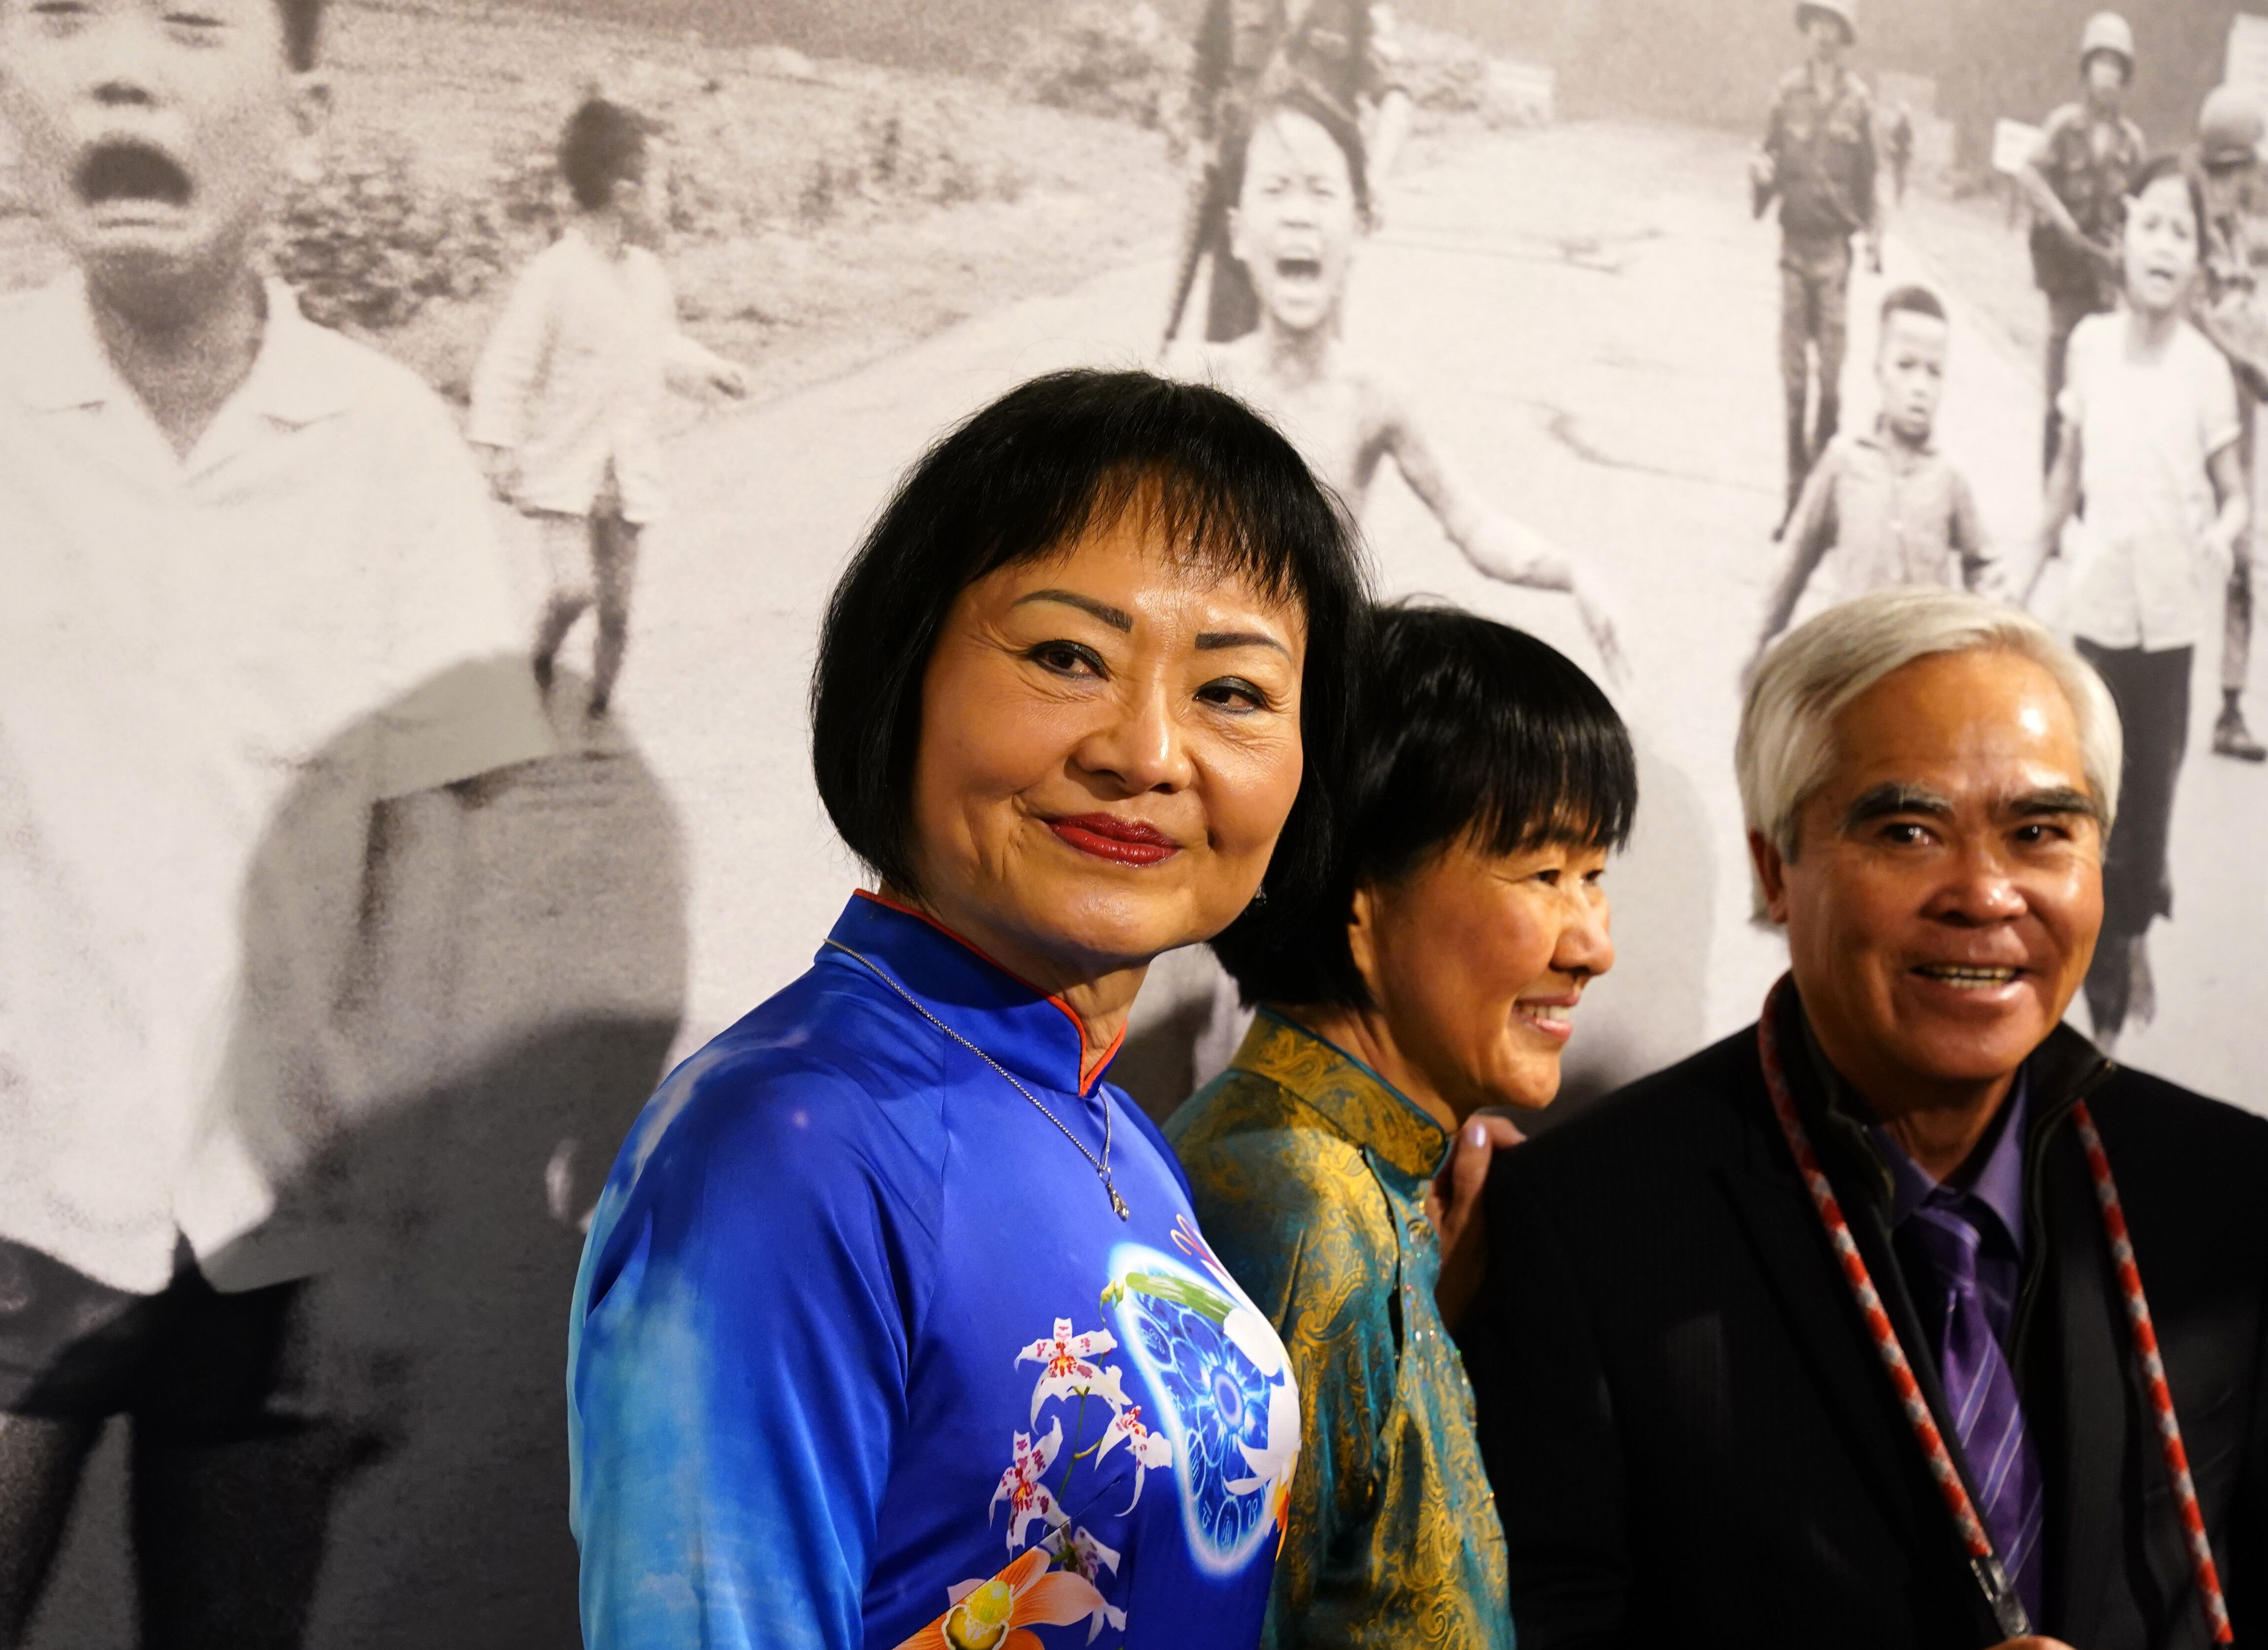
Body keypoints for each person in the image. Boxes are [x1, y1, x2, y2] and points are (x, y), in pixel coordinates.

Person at [0, 0, 556, 1644]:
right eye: (64, 21)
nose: (121, 67)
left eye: (193, 25)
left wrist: (400, 1222)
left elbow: (434, 847)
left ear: (306, 112)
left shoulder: (389, 449)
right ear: (4, 83)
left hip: (277, 1245)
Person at [567, 369, 1371, 1650]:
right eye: (1068, 656)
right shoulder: (790, 1144)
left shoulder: (1107, 1125)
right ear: (906, 679)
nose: (1148, 751)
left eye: (1233, 691)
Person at [1461, 586, 2268, 1647]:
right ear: (1773, 867)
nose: (1984, 893)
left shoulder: (2228, 1190)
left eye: (2038, 831)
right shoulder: (1589, 1222)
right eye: (1907, 828)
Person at [1168, 605, 1634, 1649]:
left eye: (1595, 875)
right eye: (1544, 872)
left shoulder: (1363, 1186)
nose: (1592, 944)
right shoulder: (1302, 1205)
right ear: (1361, 899)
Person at [1175, 93, 1624, 679]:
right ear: (1235, 233)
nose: (1298, 214)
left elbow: (1474, 524)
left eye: (1321, 190)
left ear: (1359, 227)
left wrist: (1572, 571)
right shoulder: (1193, 381)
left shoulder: (1371, 399)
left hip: (1315, 694)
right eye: (1275, 189)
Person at [2025, 152, 2247, 1050]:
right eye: (2151, 224)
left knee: (2147, 821)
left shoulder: (2207, 371)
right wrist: (2028, 557)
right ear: (2124, 242)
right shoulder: (2086, 348)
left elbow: (2234, 488)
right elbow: (2065, 478)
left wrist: (2225, 529)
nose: (2164, 244)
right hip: (2098, 624)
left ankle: (2131, 941)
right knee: (2081, 811)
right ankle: (2098, 1005)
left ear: (2200, 260)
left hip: (2172, 637)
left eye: (2182, 231)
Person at [468, 93, 747, 721]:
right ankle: (535, 663)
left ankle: (598, 719)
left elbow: (659, 348)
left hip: (626, 471)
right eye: (658, 186)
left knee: (618, 612)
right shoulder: (554, 275)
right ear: (625, 193)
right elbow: (509, 363)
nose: (666, 201)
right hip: (566, 466)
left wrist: (709, 371)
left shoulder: (648, 276)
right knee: (573, 590)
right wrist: (496, 445)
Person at [1750, 285, 1988, 667]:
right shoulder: (1844, 463)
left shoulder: (1949, 477)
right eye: (1905, 366)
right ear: (1878, 368)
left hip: (1924, 670)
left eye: (1934, 372)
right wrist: (1760, 642)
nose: (1920, 387)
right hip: (1851, 666)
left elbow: (1984, 565)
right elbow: (1795, 559)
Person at [1173, 0, 1412, 344]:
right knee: (1226, 354)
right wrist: (1200, 149)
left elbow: (1395, 96)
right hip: (1244, 200)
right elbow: (1203, 74)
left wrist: (1374, 179)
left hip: (1315, 205)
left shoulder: (1358, 7)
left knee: (1309, 346)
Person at [1752, 0, 1880, 533]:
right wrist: (1758, 174)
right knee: (1793, 383)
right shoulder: (1786, 94)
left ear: (1843, 35)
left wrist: (1874, 240)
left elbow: (1869, 181)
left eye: (1833, 26)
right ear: (1806, 31)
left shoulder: (1858, 102)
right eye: (1816, 25)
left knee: (1830, 383)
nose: (1823, 35)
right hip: (1792, 249)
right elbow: (1766, 166)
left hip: (1832, 253)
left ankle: (1818, 504)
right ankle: (1792, 498)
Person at [2019, 11, 2144, 478]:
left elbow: (2140, 208)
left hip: (2105, 284)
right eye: (2101, 63)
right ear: (2086, 70)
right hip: (2065, 280)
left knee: (2097, 397)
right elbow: (2029, 174)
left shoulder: (2132, 143)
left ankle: (2085, 506)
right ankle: (2049, 504)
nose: (2108, 74)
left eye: (2117, 65)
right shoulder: (2064, 127)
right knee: (2057, 395)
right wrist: (2063, 221)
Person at [2186, 83, 2268, 763]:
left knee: (2244, 560)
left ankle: (2231, 706)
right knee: (2180, 549)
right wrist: (2251, 362)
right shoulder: (2189, 230)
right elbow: (2195, 323)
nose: (2247, 182)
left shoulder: (2249, 235)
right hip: (2192, 420)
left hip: (2241, 424)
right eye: (2243, 169)